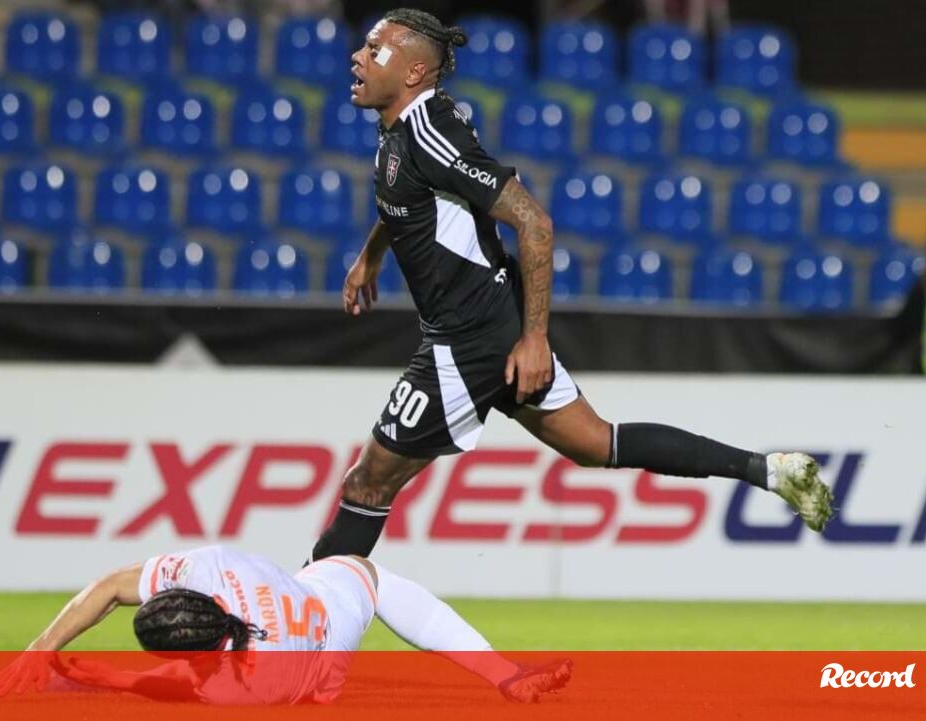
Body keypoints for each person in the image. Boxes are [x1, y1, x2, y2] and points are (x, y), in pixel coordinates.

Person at [310, 9, 834, 564]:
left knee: (367, 485)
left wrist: (534, 339)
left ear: (414, 72)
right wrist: (371, 256)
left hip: (469, 339)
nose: (358, 57)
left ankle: (308, 614)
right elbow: (413, 196)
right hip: (490, 321)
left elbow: (535, 224)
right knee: (596, 442)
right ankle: (768, 471)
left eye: (375, 50)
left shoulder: (430, 134)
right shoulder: (405, 128)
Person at [0, 544, 572, 704]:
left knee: (314, 692)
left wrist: (62, 658)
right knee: (366, 571)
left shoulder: (241, 685)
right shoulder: (214, 566)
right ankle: (503, 672)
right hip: (326, 604)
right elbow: (120, 592)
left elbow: (114, 593)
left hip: (319, 660)